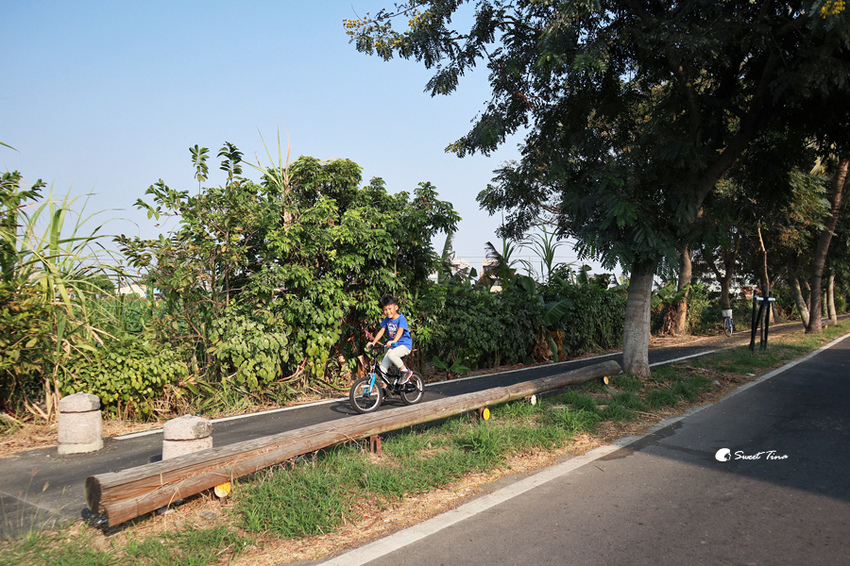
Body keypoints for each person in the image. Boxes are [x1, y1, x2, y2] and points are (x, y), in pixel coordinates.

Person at [367, 294, 414, 384]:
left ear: (396, 307)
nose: (387, 312)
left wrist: (394, 340)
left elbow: (400, 331)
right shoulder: (387, 320)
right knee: (382, 370)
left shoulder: (401, 319)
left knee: (391, 355)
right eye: (385, 309)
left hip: (404, 345)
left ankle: (405, 371)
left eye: (389, 309)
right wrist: (373, 342)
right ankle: (384, 390)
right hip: (394, 347)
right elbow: (381, 331)